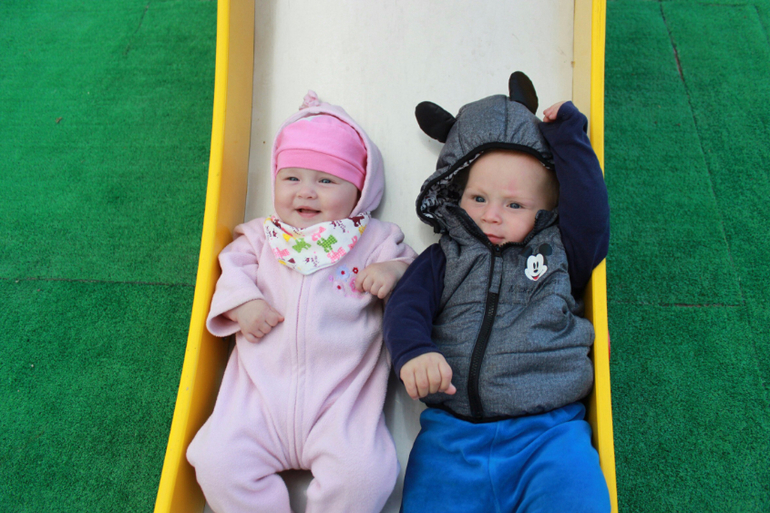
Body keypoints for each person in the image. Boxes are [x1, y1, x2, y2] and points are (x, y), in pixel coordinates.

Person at [383, 72, 611, 512]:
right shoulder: (444, 257)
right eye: (478, 198)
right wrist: (414, 353)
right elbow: (405, 306)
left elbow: (591, 213)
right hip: (452, 437)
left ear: (546, 211)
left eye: (514, 205)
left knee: (574, 499)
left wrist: (568, 138)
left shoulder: (562, 250)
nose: (491, 215)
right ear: (456, 195)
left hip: (548, 433)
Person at [187, 91, 416, 513]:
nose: (306, 193)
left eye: (326, 181)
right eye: (291, 178)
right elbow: (230, 269)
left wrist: (392, 272)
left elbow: (414, 275)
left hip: (341, 405)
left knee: (366, 475)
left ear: (360, 190)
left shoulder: (375, 240)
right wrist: (244, 303)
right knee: (217, 462)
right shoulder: (260, 237)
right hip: (257, 400)